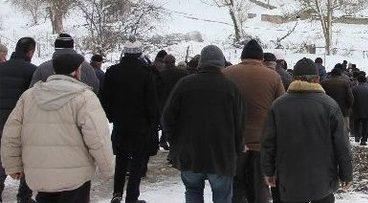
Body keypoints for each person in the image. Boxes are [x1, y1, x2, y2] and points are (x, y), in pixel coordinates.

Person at [1, 50, 114, 202]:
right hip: (75, 178)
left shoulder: (29, 96)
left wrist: (13, 165)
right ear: (76, 71)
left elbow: (11, 133)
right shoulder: (85, 97)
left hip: (40, 175)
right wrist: (107, 168)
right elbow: (98, 137)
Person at [261, 58, 352, 203]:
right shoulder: (329, 105)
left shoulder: (278, 105)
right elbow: (342, 143)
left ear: (293, 79)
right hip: (323, 180)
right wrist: (346, 173)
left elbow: (268, 143)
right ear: (317, 79)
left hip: (288, 179)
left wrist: (268, 171)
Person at [162, 45, 245, 203]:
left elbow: (167, 118)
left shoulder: (184, 84)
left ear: (200, 63)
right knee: (222, 196)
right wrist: (237, 148)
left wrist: (176, 142)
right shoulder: (231, 88)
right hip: (221, 155)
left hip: (189, 153)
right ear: (221, 64)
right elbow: (239, 123)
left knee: (192, 191)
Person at [223, 39, 284, 203]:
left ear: (242, 57)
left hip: (233, 142)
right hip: (262, 142)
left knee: (234, 186)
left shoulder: (227, 73)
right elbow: (281, 110)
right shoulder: (273, 77)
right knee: (259, 189)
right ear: (261, 58)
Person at [100, 40, 160, 203]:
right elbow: (151, 102)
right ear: (139, 54)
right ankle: (132, 196)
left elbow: (104, 98)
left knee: (121, 158)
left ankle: (117, 193)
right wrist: (151, 120)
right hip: (141, 125)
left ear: (124, 53)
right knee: (138, 162)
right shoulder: (146, 73)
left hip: (120, 124)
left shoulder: (112, 72)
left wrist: (112, 117)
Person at [0, 37, 37, 203]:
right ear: (30, 52)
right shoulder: (32, 71)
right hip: (21, 122)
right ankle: (24, 196)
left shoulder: (1, 68)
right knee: (26, 157)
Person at [30, 34, 100, 93]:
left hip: (49, 108)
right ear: (72, 47)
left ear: (56, 48)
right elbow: (95, 89)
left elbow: (33, 92)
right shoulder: (86, 67)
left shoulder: (42, 68)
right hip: (79, 107)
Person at [321, 66, 354, 134]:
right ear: (340, 74)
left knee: (329, 131)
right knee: (344, 131)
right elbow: (350, 98)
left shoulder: (324, 83)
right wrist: (348, 107)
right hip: (343, 110)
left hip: (328, 110)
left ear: (331, 74)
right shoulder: (345, 83)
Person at [351, 73, 368, 145]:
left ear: (358, 81)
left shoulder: (353, 89)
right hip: (366, 110)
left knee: (356, 123)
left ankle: (357, 136)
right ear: (365, 81)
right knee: (365, 125)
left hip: (356, 110)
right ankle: (364, 139)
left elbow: (350, 99)